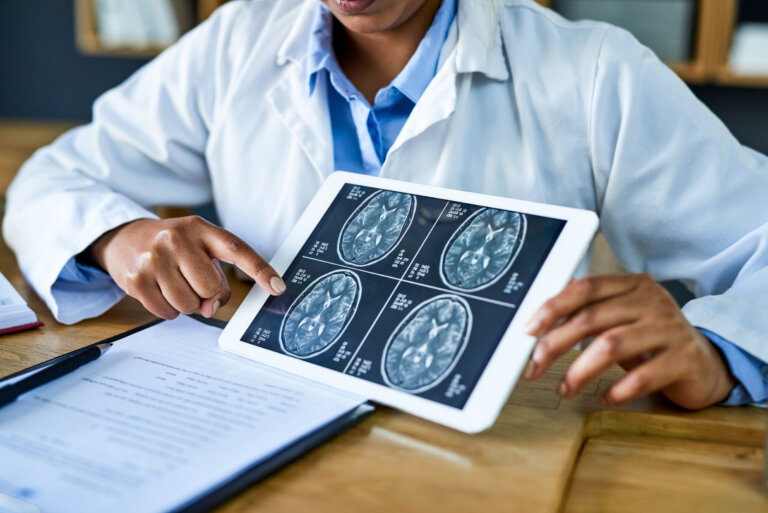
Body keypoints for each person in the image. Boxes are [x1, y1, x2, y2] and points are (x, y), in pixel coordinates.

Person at [4, 0, 768, 410]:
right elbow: (51, 177)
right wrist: (116, 236)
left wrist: (718, 355)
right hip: (255, 431)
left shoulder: (595, 73)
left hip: (495, 458)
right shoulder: (235, 40)